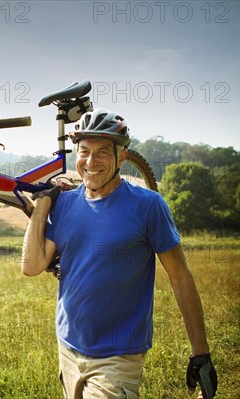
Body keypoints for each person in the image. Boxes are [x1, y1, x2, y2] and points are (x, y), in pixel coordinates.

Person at [21, 109, 217, 399]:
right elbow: (31, 266)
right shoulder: (65, 205)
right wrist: (42, 210)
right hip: (68, 348)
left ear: (122, 157)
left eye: (102, 152)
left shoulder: (148, 206)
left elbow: (180, 276)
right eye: (84, 151)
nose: (90, 161)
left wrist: (200, 353)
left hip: (118, 357)